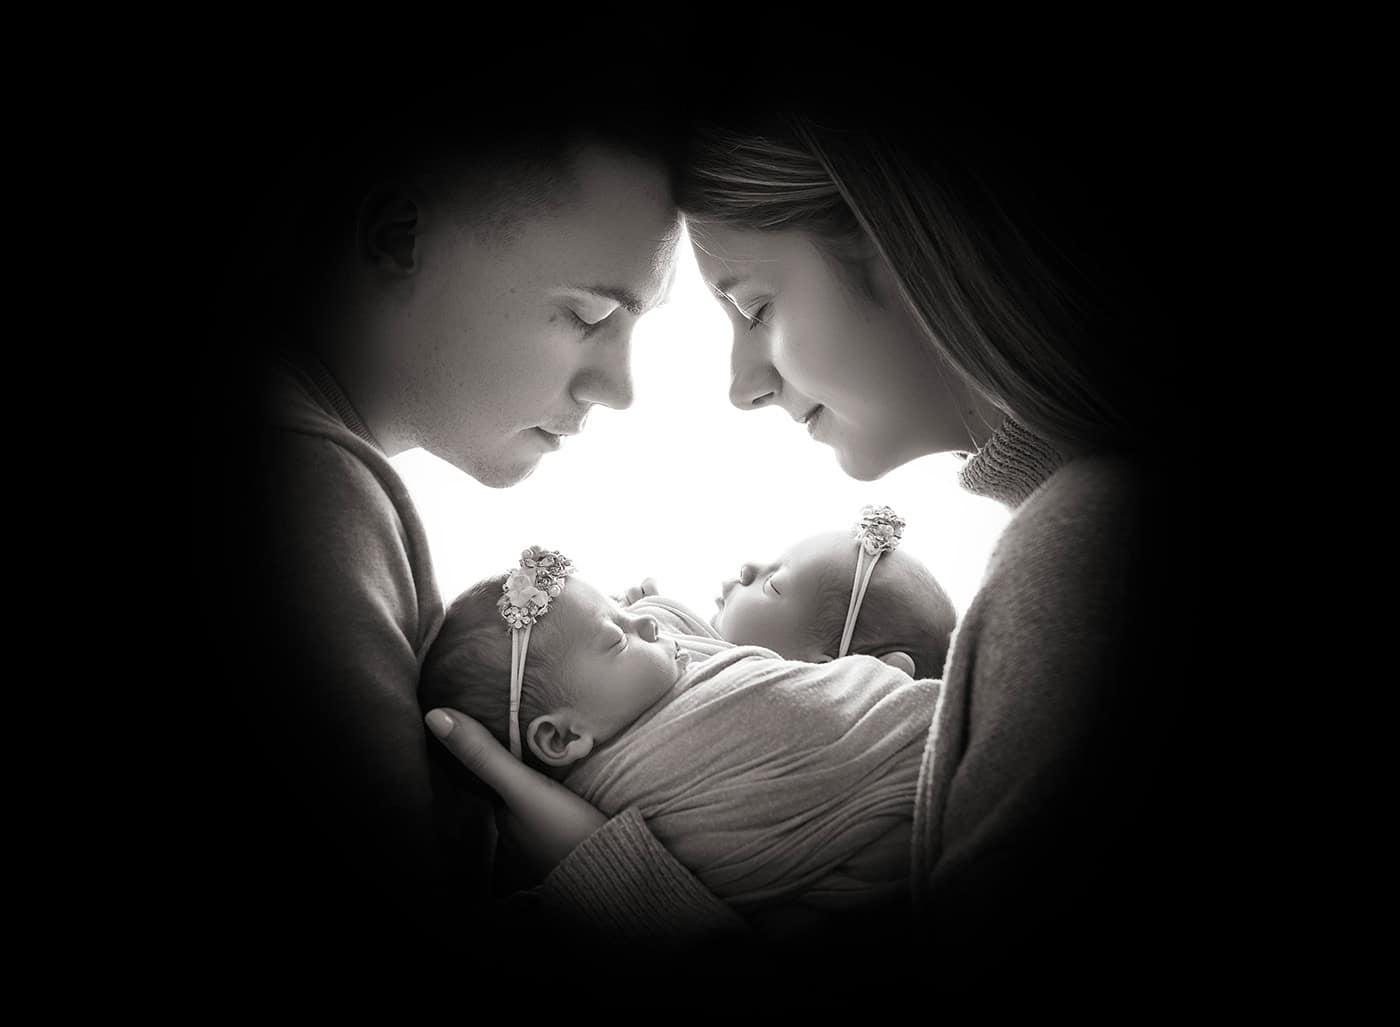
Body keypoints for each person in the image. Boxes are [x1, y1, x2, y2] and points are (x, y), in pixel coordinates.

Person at [426, 95, 1202, 983]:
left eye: (755, 308)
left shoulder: (1089, 554)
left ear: (901, 246)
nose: (742, 386)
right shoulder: (1087, 534)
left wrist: (607, 875)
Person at [202, 97, 685, 933]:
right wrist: (627, 887)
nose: (620, 388)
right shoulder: (294, 477)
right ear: (398, 235)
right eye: (588, 317)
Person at [417, 511, 953, 921]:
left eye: (774, 585)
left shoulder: (701, 689)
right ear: (561, 737)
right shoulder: (655, 744)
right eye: (617, 636)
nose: (647, 624)